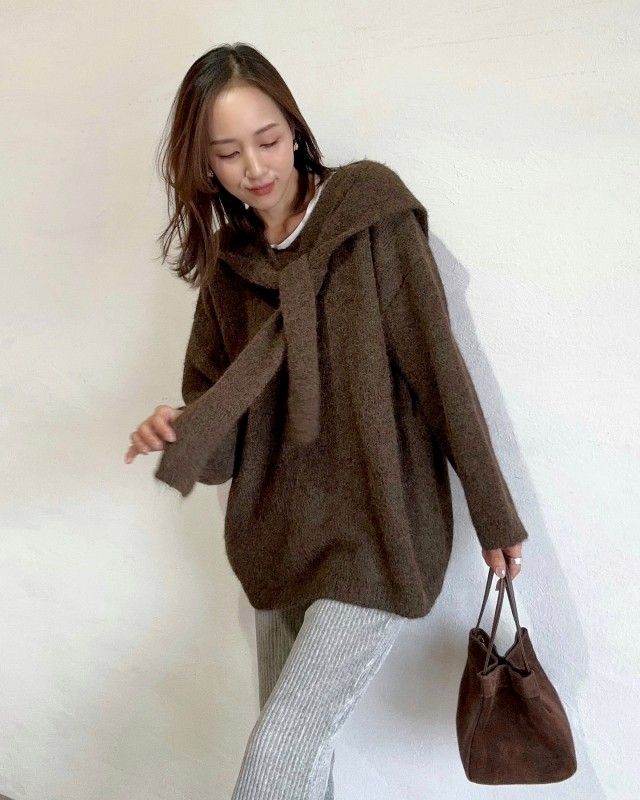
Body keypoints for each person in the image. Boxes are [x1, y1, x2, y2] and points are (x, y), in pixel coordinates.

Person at [124, 43, 526, 799]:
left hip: (379, 531)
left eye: (268, 139)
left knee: (275, 756)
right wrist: (182, 425)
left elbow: (440, 369)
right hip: (277, 541)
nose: (255, 167)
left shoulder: (368, 212)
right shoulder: (229, 267)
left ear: (295, 128)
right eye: (228, 153)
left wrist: (494, 512)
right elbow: (224, 452)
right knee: (300, 764)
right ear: (205, 165)